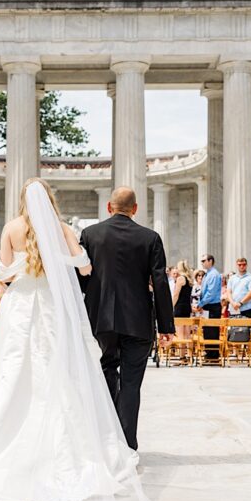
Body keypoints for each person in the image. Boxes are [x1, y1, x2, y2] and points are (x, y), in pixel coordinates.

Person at [0, 179, 176, 501]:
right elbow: (84, 266)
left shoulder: (12, 229)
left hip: (22, 307)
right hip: (57, 306)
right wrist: (61, 263)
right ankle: (112, 443)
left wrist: (23, 266)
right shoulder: (65, 228)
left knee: (13, 374)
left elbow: (2, 274)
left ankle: (1, 445)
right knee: (64, 375)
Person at [79, 186, 175, 451]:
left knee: (108, 369)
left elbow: (80, 279)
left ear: (108, 207)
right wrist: (166, 326)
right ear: (135, 209)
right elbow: (160, 283)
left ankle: (108, 440)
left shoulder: (90, 235)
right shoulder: (150, 237)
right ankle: (127, 445)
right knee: (132, 382)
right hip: (138, 320)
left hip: (101, 319)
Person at [198, 254, 222, 360]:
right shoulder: (208, 274)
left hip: (213, 306)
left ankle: (213, 354)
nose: (202, 263)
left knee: (212, 330)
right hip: (208, 305)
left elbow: (211, 293)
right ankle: (209, 352)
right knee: (207, 330)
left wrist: (201, 303)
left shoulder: (214, 274)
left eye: (204, 261)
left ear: (210, 261)